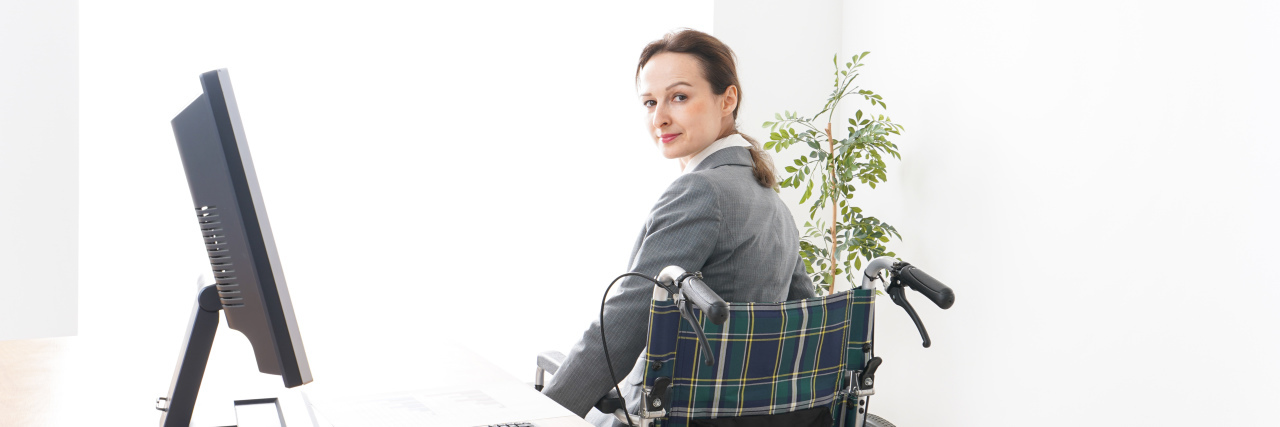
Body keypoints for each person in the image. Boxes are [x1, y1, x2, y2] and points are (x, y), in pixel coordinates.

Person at [541, 29, 815, 425]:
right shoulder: (768, 195)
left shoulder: (701, 190)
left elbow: (627, 318)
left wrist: (541, 414)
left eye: (679, 97)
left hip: (671, 413)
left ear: (728, 99)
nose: (660, 117)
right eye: (650, 102)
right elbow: (801, 312)